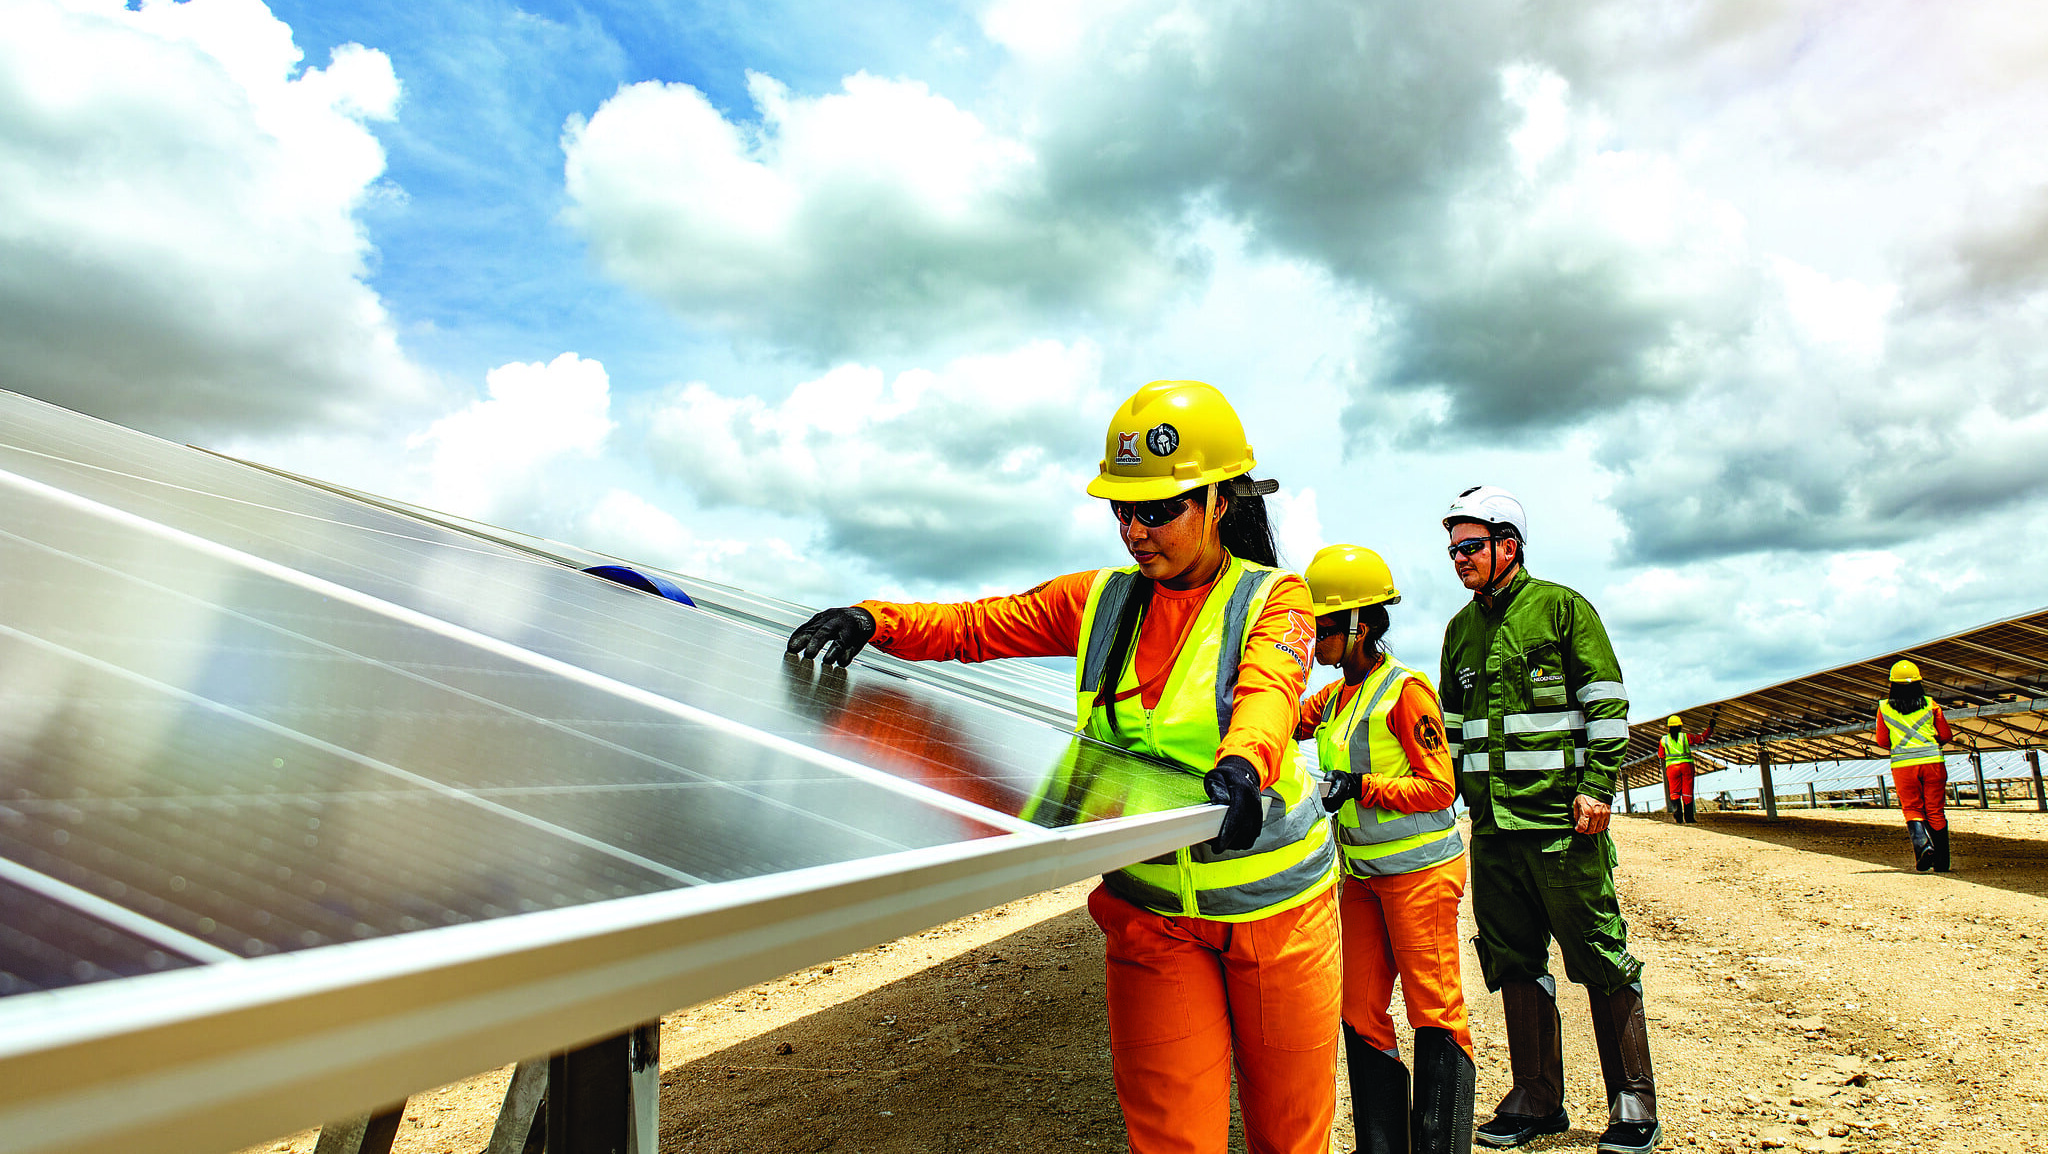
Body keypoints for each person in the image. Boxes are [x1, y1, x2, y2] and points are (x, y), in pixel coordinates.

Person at [784, 380, 1339, 1154]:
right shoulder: (1100, 601)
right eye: (1122, 509)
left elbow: (1269, 691)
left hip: (1278, 920)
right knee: (1175, 1141)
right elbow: (979, 626)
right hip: (1151, 920)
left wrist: (1244, 766)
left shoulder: (1274, 599)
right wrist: (876, 619)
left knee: (1290, 1138)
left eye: (1157, 510)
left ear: (1220, 502)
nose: (1135, 531)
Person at [1436, 486, 1659, 1154]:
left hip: (1561, 824)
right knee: (1512, 960)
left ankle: (1633, 1104)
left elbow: (1606, 701)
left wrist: (1598, 785)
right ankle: (1535, 1099)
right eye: (1452, 549)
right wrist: (1447, 797)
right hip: (1494, 829)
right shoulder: (1458, 631)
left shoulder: (1562, 609)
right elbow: (1449, 730)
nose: (1459, 559)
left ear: (1509, 545)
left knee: (1599, 956)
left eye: (1470, 546)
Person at [1298, 544, 1474, 1154]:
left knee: (1435, 1010)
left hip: (1420, 875)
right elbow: (1289, 719)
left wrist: (1360, 786)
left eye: (1322, 628)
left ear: (1360, 627)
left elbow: (1439, 786)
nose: (1314, 639)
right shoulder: (1337, 696)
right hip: (1363, 877)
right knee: (1359, 1008)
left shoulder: (1406, 693)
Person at [1874, 659, 1953, 873]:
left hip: (1903, 766)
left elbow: (1882, 741)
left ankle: (1923, 846)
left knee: (1912, 808)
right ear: (1919, 683)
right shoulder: (1931, 704)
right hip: (1932, 762)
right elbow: (1946, 735)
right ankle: (1942, 863)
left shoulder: (1884, 708)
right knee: (1935, 810)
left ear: (1892, 684)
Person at [1660, 716, 1696, 824]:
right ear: (1680, 726)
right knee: (1687, 792)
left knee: (1674, 792)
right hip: (1686, 767)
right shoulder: (1685, 737)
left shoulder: (1664, 740)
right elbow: (1702, 738)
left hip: (1672, 768)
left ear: (1669, 728)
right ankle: (1689, 818)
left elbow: (1661, 754)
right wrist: (1711, 729)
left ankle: (1678, 816)